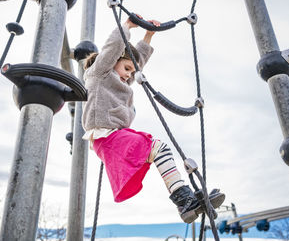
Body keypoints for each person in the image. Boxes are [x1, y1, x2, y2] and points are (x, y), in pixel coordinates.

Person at [81, 16, 225, 223]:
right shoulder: (100, 73)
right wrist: (127, 27)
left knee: (160, 149)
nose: (128, 75)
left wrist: (148, 35)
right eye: (126, 69)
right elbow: (113, 47)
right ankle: (183, 200)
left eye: (132, 71)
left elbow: (138, 62)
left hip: (115, 136)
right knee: (157, 148)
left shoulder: (122, 78)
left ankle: (185, 199)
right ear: (112, 61)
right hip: (106, 136)